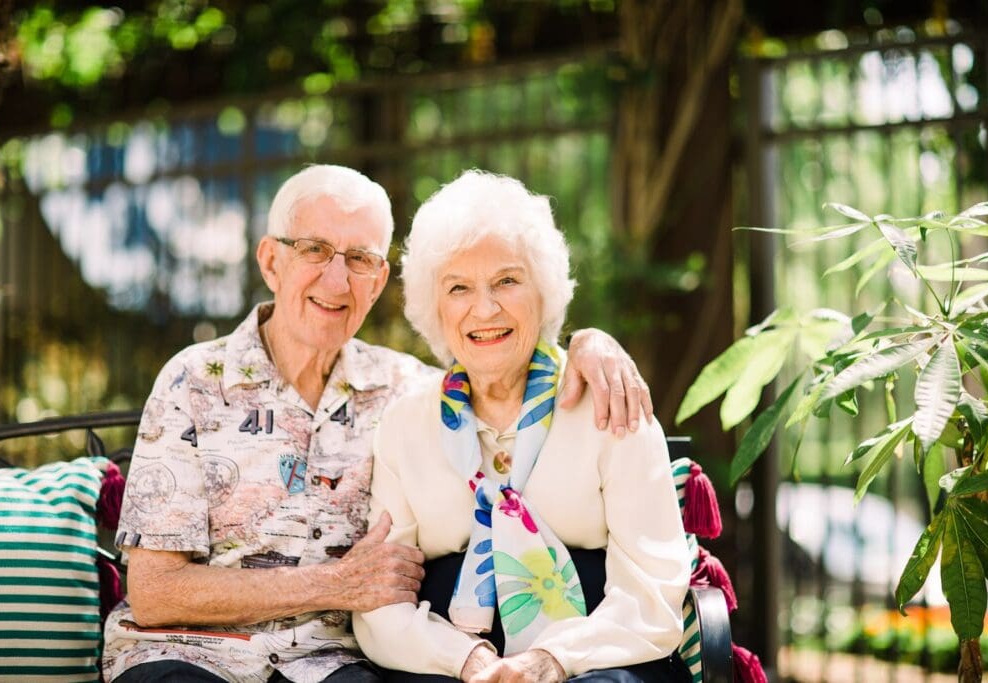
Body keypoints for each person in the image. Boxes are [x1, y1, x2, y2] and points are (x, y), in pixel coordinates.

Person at [101, 164, 655, 683]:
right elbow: (153, 591)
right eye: (315, 250)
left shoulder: (408, 395)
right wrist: (334, 583)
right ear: (271, 261)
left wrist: (591, 345)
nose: (337, 280)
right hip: (183, 653)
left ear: (379, 278)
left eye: (360, 259)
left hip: (327, 664)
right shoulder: (194, 382)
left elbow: (498, 350)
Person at [352, 170, 692, 683]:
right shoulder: (405, 424)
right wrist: (468, 661)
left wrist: (549, 662)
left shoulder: (608, 401)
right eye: (458, 288)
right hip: (451, 665)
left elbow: (653, 595)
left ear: (545, 290)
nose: (484, 309)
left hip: (597, 661)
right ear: (435, 308)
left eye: (507, 281)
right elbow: (379, 605)